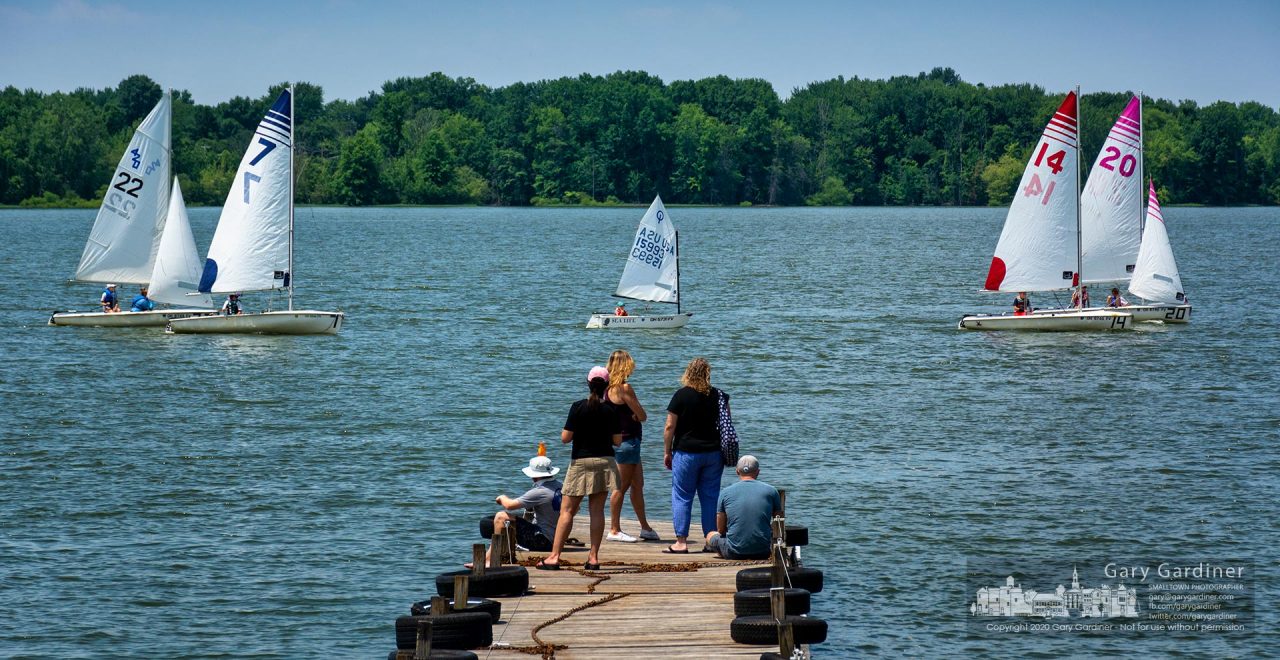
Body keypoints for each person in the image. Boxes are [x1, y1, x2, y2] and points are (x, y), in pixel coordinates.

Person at [537, 366, 622, 571]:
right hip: (604, 462)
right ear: (606, 386)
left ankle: (554, 556)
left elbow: (565, 439)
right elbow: (617, 441)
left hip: (580, 463)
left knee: (567, 511)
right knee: (597, 511)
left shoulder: (577, 407)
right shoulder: (611, 410)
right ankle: (593, 558)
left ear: (588, 383)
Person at [663, 357, 725, 553]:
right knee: (710, 497)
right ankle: (710, 541)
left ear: (688, 372)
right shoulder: (719, 395)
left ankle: (681, 542)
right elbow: (726, 425)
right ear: (708, 374)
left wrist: (667, 451)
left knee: (682, 496)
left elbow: (669, 426)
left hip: (687, 453)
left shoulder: (681, 395)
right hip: (714, 454)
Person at [468, 452, 563, 568]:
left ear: (535, 475)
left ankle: (490, 559)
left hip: (543, 541)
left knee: (501, 516)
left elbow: (509, 505)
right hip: (558, 538)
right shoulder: (560, 485)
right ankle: (492, 555)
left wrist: (501, 497)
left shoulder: (539, 491)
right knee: (513, 519)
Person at [605, 349, 659, 543]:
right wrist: (636, 415)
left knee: (637, 485)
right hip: (628, 443)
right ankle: (614, 529)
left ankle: (645, 527)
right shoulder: (624, 388)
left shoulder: (607, 388)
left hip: (624, 443)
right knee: (621, 487)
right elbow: (642, 415)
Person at [705, 455, 781, 560]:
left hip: (734, 552)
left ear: (737, 471)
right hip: (763, 552)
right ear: (758, 472)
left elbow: (720, 529)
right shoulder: (772, 491)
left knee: (710, 535)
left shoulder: (725, 492)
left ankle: (721, 551)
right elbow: (778, 523)